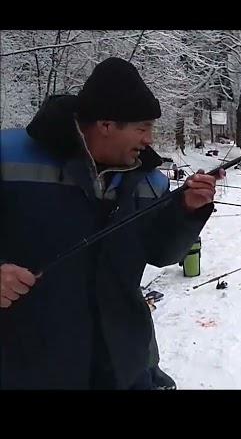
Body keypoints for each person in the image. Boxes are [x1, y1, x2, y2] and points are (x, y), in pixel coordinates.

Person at [0, 57, 224, 390]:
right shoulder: (10, 155)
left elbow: (163, 253)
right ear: (106, 125)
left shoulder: (150, 181)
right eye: (142, 128)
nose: (150, 139)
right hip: (28, 368)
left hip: (124, 368)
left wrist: (186, 210)